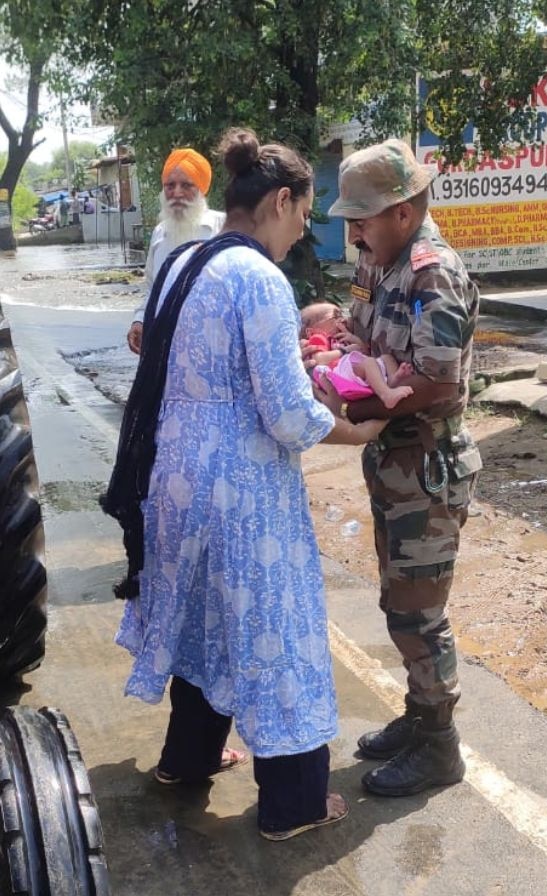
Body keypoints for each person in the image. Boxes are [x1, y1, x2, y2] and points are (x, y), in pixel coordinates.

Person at [101, 127, 388, 840]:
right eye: (302, 215)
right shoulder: (259, 276)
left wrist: (297, 344)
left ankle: (187, 759)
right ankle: (293, 805)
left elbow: (201, 363)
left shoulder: (182, 263)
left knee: (204, 622)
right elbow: (288, 413)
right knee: (275, 629)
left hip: (175, 473)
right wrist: (356, 428)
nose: (303, 232)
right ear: (281, 201)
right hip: (241, 490)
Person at [314, 138, 483, 798]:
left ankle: (441, 747)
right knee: (399, 602)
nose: (352, 231)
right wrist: (337, 352)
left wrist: (364, 407)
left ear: (403, 214)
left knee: (420, 616)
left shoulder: (431, 273)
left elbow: (437, 381)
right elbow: (359, 327)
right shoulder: (373, 262)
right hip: (394, 464)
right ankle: (420, 717)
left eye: (362, 218)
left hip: (427, 467)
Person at [127, 148, 226, 354]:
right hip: (165, 347)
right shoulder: (159, 234)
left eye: (186, 185)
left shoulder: (223, 227)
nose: (177, 193)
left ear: (201, 189)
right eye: (170, 186)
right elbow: (152, 288)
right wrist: (139, 320)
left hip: (213, 346)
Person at [300, 302, 415, 409]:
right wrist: (344, 350)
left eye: (342, 314)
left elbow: (363, 352)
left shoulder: (341, 338)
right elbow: (318, 359)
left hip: (352, 370)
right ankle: (386, 394)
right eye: (335, 317)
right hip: (336, 375)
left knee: (387, 357)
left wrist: (353, 339)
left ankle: (392, 381)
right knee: (369, 362)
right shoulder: (318, 338)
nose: (343, 319)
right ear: (311, 331)